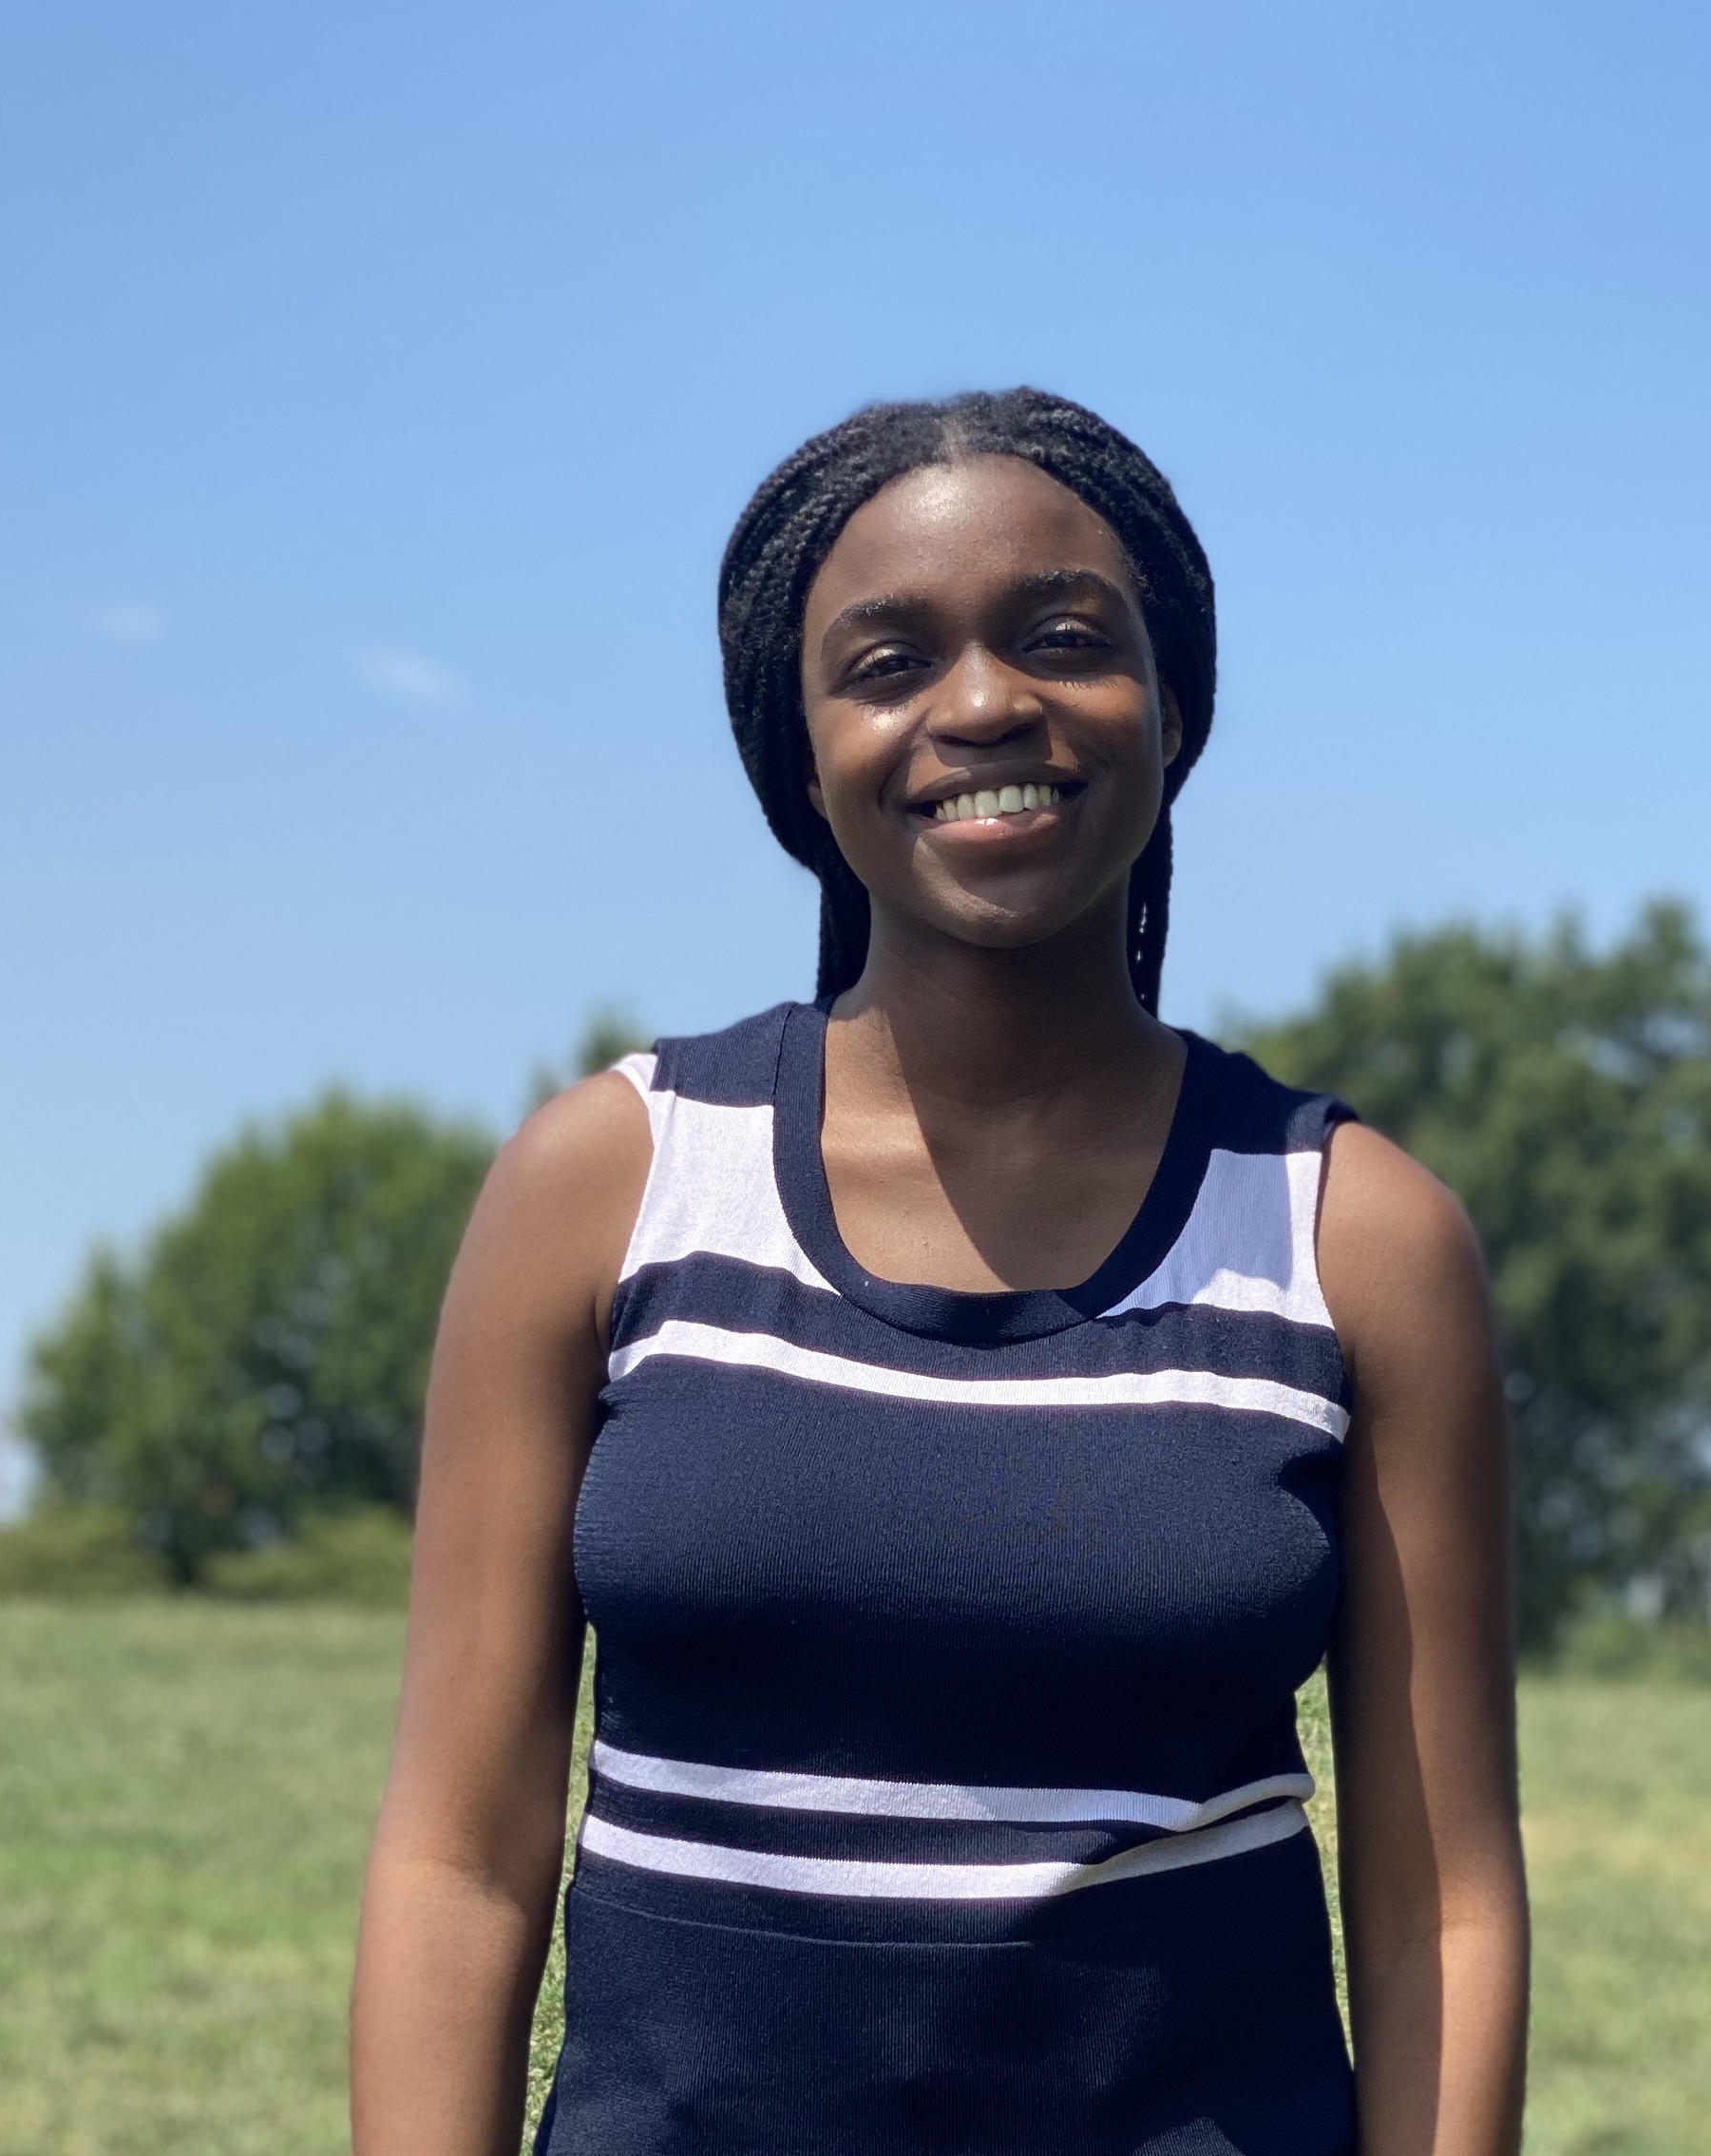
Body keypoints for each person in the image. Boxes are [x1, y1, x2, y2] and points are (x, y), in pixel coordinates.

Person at [351, 390, 1528, 2156]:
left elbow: (1443, 1905)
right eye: (887, 660)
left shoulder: (1352, 1235)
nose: (983, 703)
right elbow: (458, 1853)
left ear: (1175, 700)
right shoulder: (608, 1184)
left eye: (1065, 637)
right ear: (796, 751)